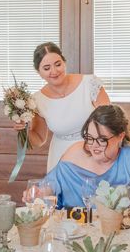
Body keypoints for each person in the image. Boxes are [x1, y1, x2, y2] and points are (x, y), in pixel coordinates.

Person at [41, 105, 130, 207]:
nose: (93, 145)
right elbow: (50, 187)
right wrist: (38, 193)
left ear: (120, 136)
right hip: (76, 230)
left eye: (101, 140)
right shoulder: (75, 152)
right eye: (90, 138)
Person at [14, 42, 110, 172]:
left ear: (64, 62)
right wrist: (23, 130)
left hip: (95, 152)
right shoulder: (37, 100)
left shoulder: (90, 83)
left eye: (58, 64)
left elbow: (110, 122)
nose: (54, 71)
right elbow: (39, 139)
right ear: (39, 72)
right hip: (61, 159)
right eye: (47, 68)